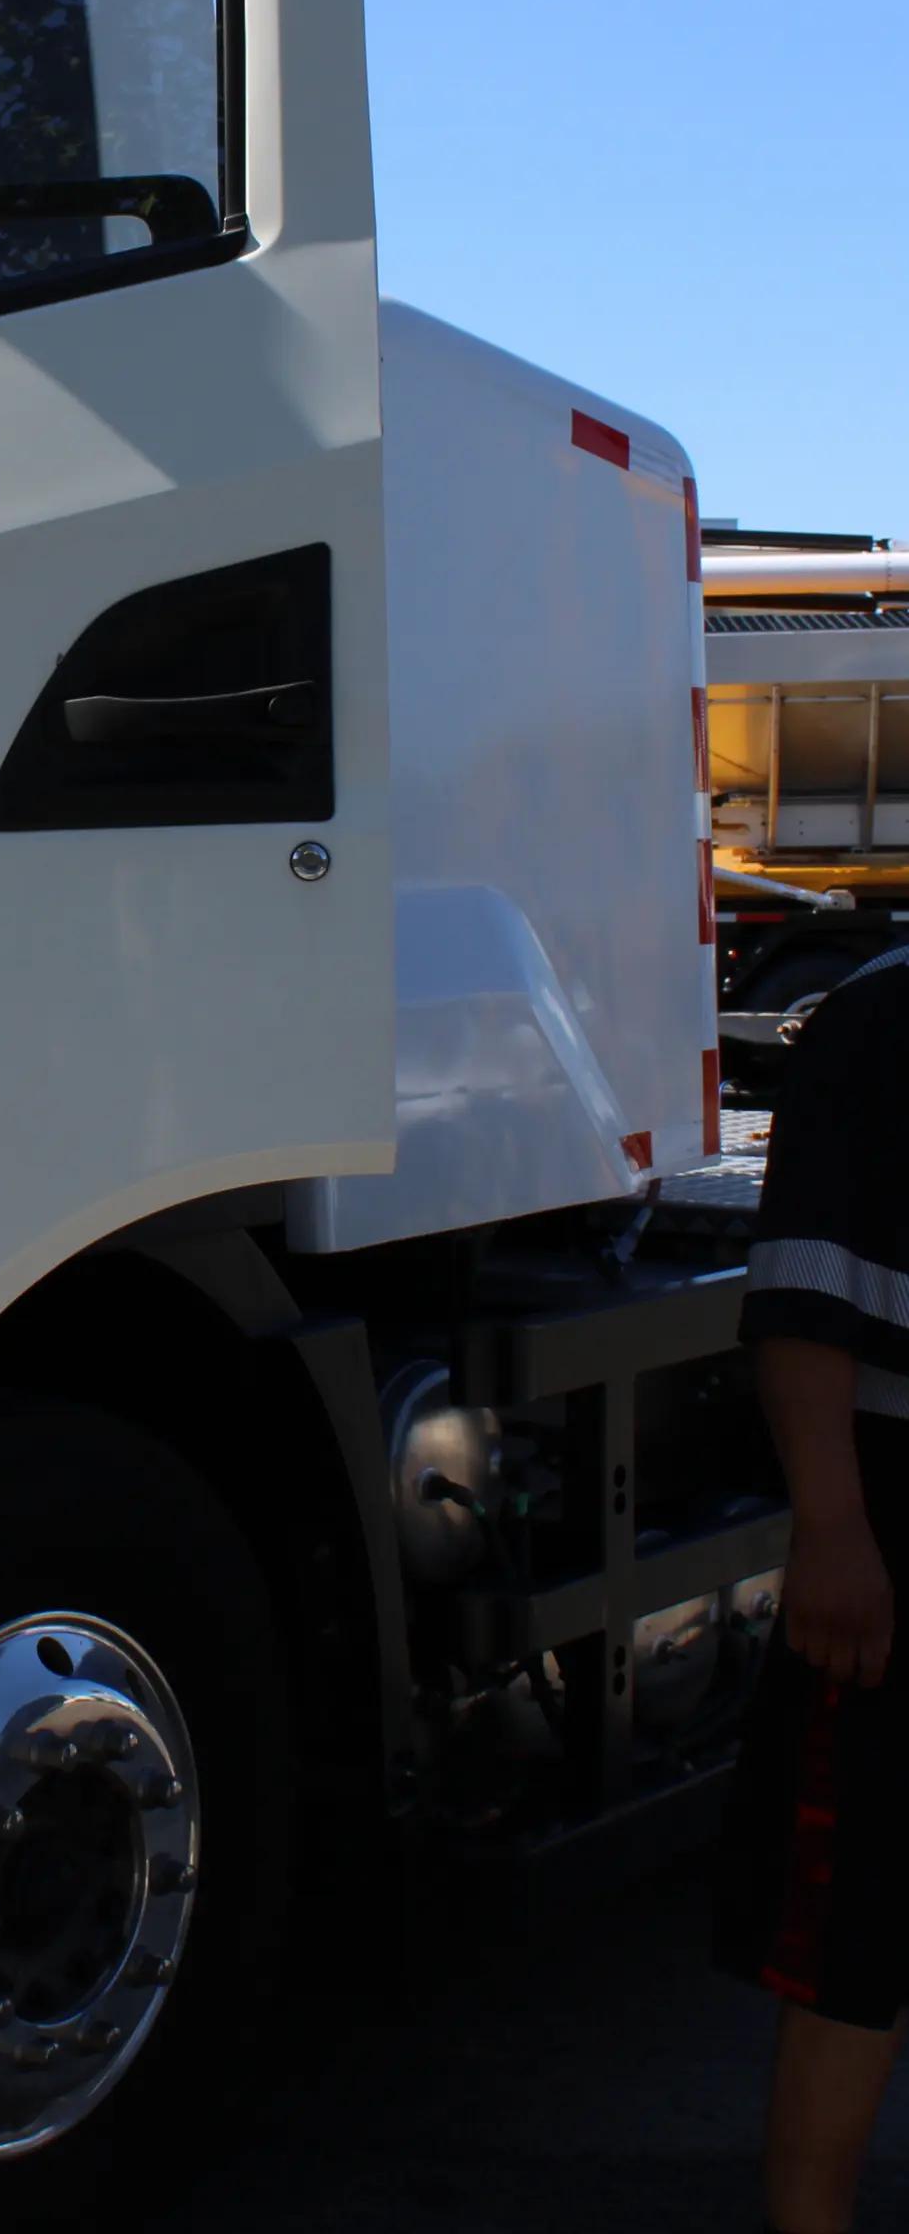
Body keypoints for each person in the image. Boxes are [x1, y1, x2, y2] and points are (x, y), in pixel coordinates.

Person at [717, 944, 909, 2234]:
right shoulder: (880, 1025)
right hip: (897, 1528)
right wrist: (834, 1528)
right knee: (860, 1942)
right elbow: (801, 1304)